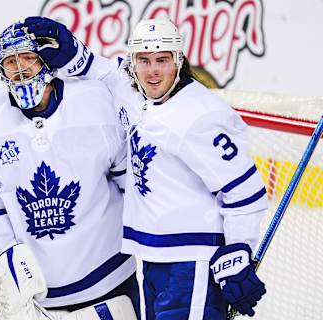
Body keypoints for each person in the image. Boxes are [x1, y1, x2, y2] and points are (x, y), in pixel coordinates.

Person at [22, 16, 268, 320]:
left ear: (178, 61)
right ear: (133, 62)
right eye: (144, 60)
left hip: (192, 262)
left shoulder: (199, 116)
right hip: (154, 258)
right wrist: (73, 52)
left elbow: (246, 191)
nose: (153, 71)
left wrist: (239, 250)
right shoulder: (135, 91)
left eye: (162, 60)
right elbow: (107, 74)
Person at [0, 21, 141, 320]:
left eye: (28, 58)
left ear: (45, 61)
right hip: (33, 295)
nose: (20, 69)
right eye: (10, 62)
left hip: (109, 279)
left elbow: (135, 180)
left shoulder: (96, 102)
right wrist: (5, 257)